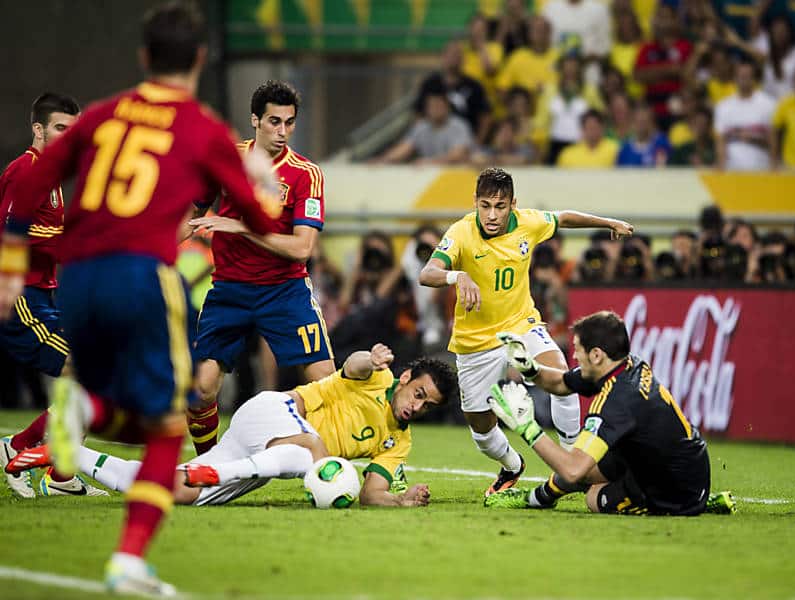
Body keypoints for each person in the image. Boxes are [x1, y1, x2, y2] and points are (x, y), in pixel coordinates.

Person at [0, 3, 277, 594]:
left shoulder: (103, 114)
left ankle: (84, 411)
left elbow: (29, 182)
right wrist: (264, 181)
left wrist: (9, 269)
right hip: (139, 277)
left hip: (76, 279)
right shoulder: (202, 127)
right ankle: (128, 558)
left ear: (144, 56)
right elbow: (257, 219)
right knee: (169, 424)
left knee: (133, 406)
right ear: (200, 58)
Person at [8, 344, 457, 509]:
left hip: (266, 455)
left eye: (428, 406)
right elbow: (353, 365)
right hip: (274, 414)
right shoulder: (377, 377)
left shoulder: (399, 441)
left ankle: (70, 453)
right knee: (315, 454)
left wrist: (401, 500)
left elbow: (370, 494)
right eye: (418, 394)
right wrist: (371, 358)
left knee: (173, 492)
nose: (416, 407)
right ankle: (218, 471)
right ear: (404, 378)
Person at [418, 167, 633, 496]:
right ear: (475, 202)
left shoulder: (528, 222)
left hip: (521, 324)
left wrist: (608, 223)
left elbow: (564, 218)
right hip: (475, 340)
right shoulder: (461, 232)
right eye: (485, 206)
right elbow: (427, 273)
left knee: (560, 375)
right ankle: (512, 465)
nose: (492, 215)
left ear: (513, 205)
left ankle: (572, 464)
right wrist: (456, 276)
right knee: (481, 430)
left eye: (500, 206)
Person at [185, 80, 334, 456]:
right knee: (201, 389)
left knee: (328, 387)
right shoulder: (226, 160)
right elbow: (190, 216)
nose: (282, 131)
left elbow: (302, 248)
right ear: (255, 120)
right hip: (229, 290)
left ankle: (333, 466)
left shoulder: (306, 174)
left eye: (289, 122)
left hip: (284, 291)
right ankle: (210, 466)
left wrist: (243, 227)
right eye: (274, 121)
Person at [484, 311, 736, 516]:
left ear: (596, 355)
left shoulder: (616, 402)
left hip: (673, 488)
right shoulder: (623, 365)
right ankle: (536, 499)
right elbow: (560, 383)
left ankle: (695, 504)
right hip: (681, 464)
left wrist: (528, 428)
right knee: (590, 468)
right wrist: (529, 368)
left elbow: (572, 470)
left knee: (593, 495)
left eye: (578, 349)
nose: (574, 356)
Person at [0, 92, 101, 498]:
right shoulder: (25, 171)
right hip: (21, 297)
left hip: (44, 294)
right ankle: (18, 447)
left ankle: (60, 474)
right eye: (60, 128)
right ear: (38, 129)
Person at [714, 59, 777, 170]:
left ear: (754, 79)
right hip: (732, 169)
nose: (744, 79)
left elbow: (773, 139)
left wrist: (773, 167)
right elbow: (720, 141)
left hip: (761, 167)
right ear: (735, 79)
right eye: (741, 76)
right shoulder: (723, 106)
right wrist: (721, 167)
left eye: (747, 76)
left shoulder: (769, 104)